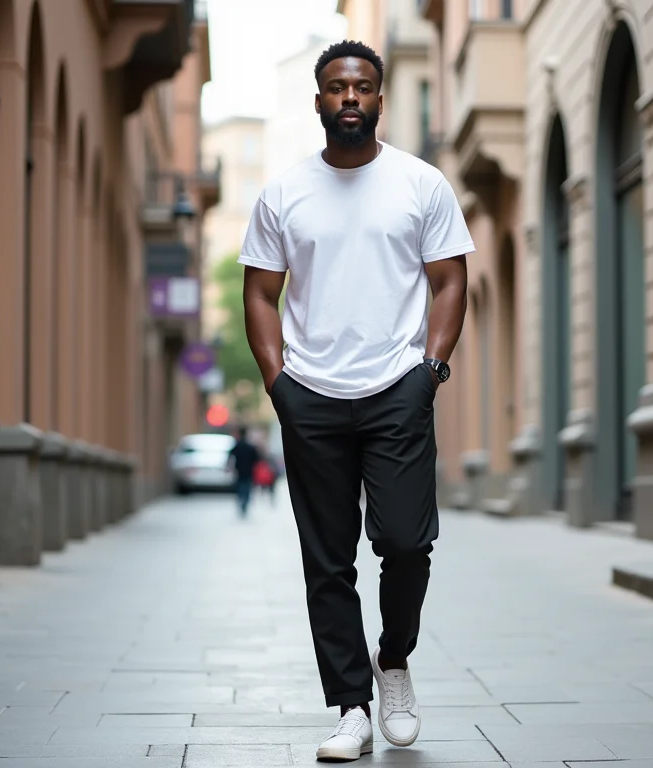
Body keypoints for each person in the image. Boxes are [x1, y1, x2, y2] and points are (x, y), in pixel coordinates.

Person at [240, 40, 473, 762]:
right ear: (319, 101)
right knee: (327, 560)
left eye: (363, 87)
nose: (350, 97)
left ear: (379, 99)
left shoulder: (420, 183)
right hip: (309, 396)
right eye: (337, 87)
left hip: (396, 391)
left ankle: (393, 658)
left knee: (406, 542)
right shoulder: (282, 193)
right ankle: (351, 707)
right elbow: (259, 292)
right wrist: (278, 382)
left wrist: (429, 370)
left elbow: (450, 280)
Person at [228, 426, 260, 517]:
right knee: (247, 488)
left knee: (240, 487)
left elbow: (230, 455)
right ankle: (245, 501)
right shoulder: (250, 447)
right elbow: (257, 459)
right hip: (249, 470)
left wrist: (229, 466)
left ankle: (241, 500)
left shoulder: (237, 445)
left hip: (239, 470)